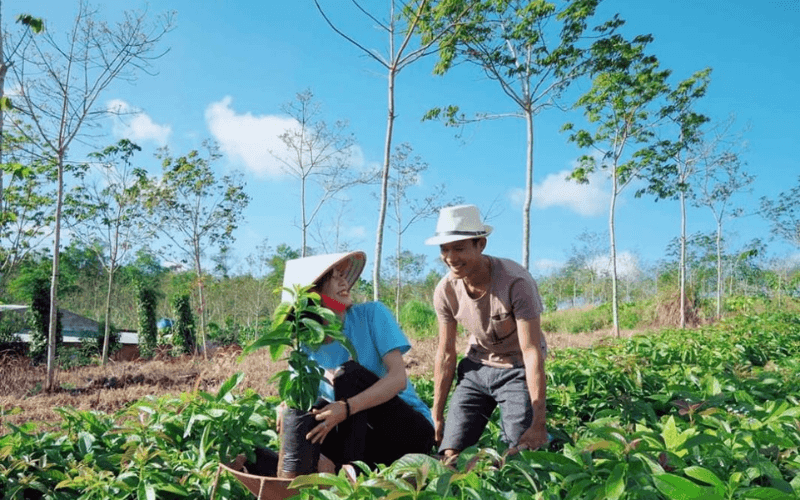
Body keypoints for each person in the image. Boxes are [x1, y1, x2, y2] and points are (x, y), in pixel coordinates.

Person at [277, 251, 435, 471]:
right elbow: (299, 401)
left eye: (343, 276)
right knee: (310, 411)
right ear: (312, 294)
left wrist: (347, 408)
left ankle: (349, 468)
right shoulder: (304, 347)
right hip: (368, 443)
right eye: (334, 278)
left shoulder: (372, 314)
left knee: (348, 375)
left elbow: (398, 379)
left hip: (408, 433)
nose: (344, 282)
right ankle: (332, 468)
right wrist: (287, 407)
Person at [424, 204, 549, 460]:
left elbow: (531, 351)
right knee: (449, 452)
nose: (450, 258)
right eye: (444, 249)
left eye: (459, 248)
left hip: (515, 369)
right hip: (476, 368)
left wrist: (539, 423)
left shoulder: (516, 282)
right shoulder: (445, 290)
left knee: (516, 452)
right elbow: (446, 353)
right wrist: (436, 414)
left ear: (480, 245)